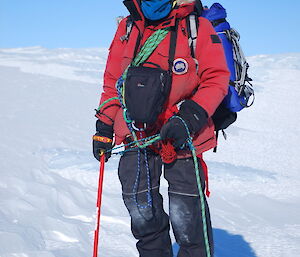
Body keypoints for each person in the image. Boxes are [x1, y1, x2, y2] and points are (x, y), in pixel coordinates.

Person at [93, 0, 230, 256]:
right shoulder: (128, 27)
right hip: (136, 136)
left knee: (188, 223)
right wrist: (105, 124)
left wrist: (189, 118)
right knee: (144, 218)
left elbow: (217, 78)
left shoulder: (196, 27)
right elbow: (113, 82)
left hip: (183, 137)